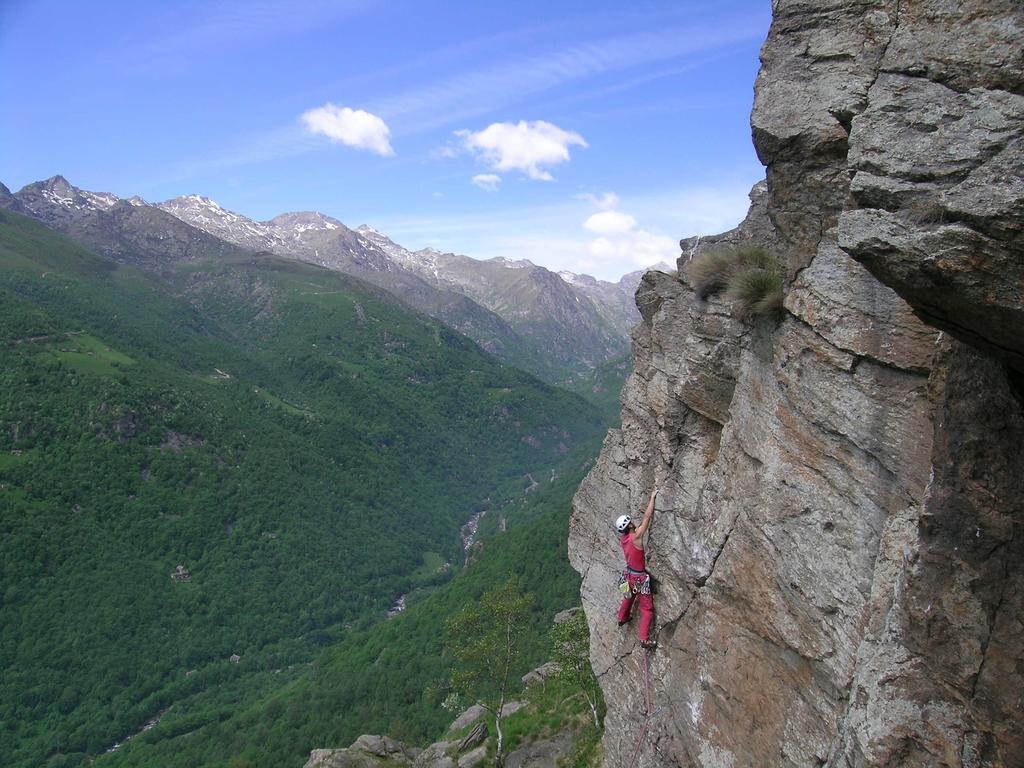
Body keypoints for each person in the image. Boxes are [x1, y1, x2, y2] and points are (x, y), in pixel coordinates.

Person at [615, 488, 657, 649]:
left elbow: (636, 526)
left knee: (629, 595)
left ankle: (622, 617)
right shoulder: (636, 537)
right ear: (630, 524)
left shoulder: (624, 539)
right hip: (639, 578)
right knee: (647, 609)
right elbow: (647, 518)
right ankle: (644, 638)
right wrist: (652, 498)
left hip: (629, 576)